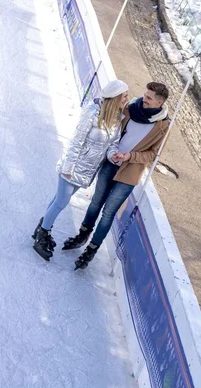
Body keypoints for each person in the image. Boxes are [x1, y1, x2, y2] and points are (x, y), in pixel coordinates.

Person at [63, 82, 171, 270]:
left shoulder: (162, 126)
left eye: (149, 98)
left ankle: (91, 250)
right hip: (110, 163)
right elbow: (111, 128)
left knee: (108, 212)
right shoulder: (130, 109)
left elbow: (153, 155)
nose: (143, 98)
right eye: (145, 94)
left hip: (128, 174)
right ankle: (83, 234)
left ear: (159, 102)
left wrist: (131, 156)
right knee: (96, 202)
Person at [32, 80, 130, 261]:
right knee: (61, 202)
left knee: (57, 201)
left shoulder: (117, 118)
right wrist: (68, 167)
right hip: (72, 167)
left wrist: (113, 155)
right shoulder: (92, 113)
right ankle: (41, 235)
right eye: (124, 96)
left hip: (86, 172)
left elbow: (112, 144)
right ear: (115, 97)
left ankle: (42, 227)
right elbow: (76, 141)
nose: (127, 99)